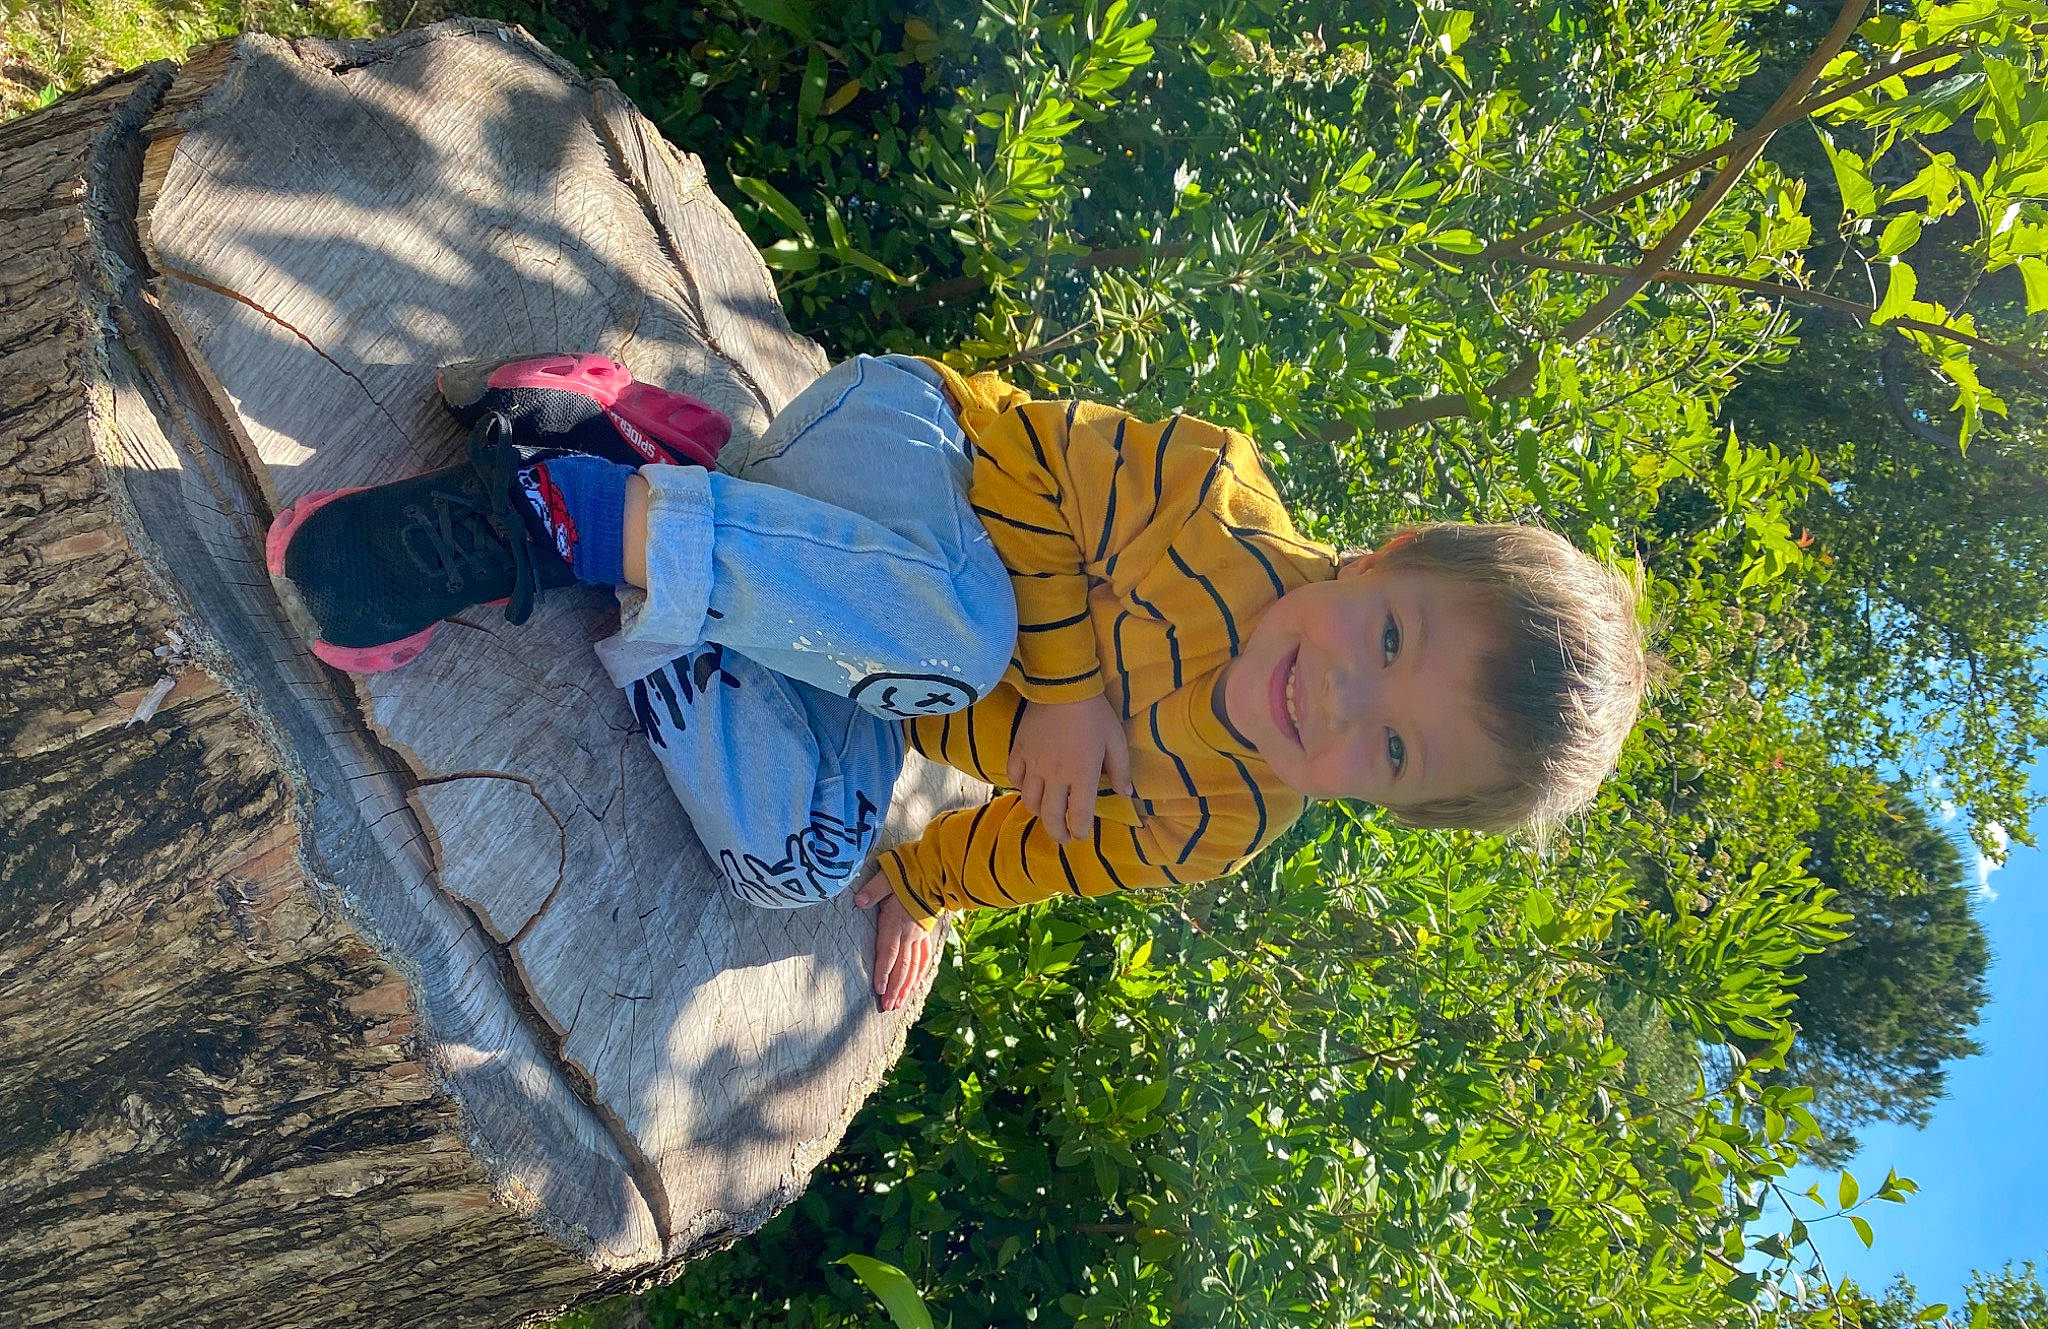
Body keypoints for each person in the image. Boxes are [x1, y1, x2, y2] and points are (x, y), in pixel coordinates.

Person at [270, 352, 1652, 1011]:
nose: (1346, 699)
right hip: (899, 454)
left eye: (1395, 751)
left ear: (1389, 808)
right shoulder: (1209, 499)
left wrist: (928, 884)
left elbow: (1059, 844)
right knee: (967, 639)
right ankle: (550, 515)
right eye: (1393, 641)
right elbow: (1029, 456)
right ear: (1390, 553)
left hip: (854, 654)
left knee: (805, 857)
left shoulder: (1214, 822)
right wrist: (1071, 687)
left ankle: (637, 477)